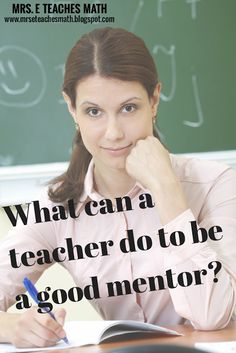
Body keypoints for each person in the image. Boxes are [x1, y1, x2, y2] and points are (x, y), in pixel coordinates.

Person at [0, 27, 236, 348]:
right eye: (93, 112)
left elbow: (211, 315)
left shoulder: (216, 186)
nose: (113, 133)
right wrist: (11, 326)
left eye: (128, 108)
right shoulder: (56, 207)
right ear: (72, 109)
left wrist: (168, 191)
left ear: (153, 101)